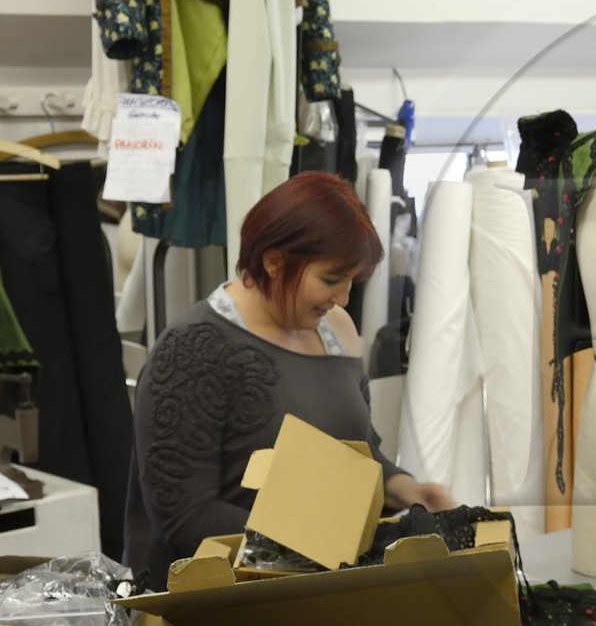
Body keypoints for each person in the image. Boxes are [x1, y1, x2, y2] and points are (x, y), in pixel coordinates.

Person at [123, 172, 452, 591]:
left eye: (351, 281)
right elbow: (184, 515)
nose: (344, 298)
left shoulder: (336, 329)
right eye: (331, 280)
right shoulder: (193, 348)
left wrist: (407, 489)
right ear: (274, 262)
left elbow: (358, 455)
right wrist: (319, 543)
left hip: (322, 583)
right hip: (220, 600)